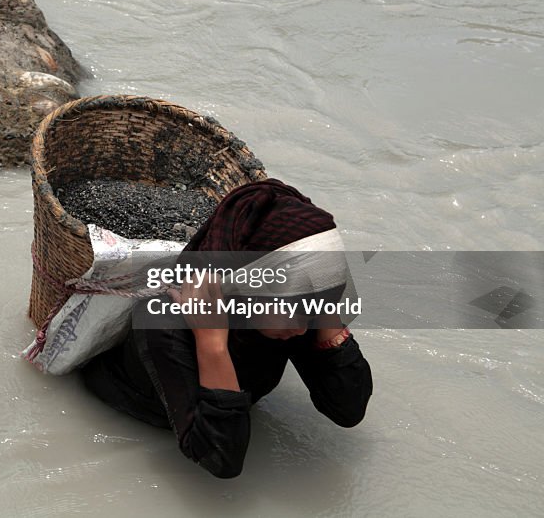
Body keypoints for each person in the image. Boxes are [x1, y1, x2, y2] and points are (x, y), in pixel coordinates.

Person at [81, 179, 373, 478]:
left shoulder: (295, 310)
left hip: (228, 416)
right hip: (134, 418)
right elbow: (222, 461)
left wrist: (326, 312)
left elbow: (348, 411)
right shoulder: (167, 318)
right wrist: (212, 342)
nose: (302, 330)